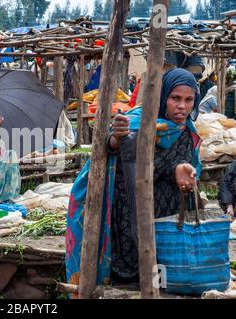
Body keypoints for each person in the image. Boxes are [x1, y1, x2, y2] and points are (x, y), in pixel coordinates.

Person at [66, 68, 202, 294]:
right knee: (128, 264)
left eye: (188, 100)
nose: (182, 106)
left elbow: (186, 162)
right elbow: (116, 149)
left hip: (166, 211)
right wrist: (116, 138)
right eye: (175, 98)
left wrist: (183, 171)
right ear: (162, 97)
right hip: (129, 205)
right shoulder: (138, 121)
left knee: (163, 262)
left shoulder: (187, 131)